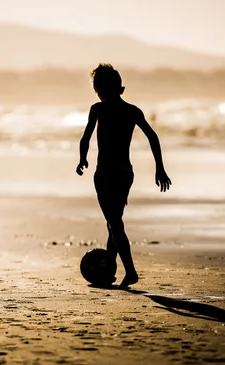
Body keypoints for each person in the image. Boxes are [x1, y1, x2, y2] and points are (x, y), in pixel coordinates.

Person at [76, 63, 172, 289]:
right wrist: (159, 167)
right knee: (114, 222)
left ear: (99, 90)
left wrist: (82, 159)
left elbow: (86, 138)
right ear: (121, 88)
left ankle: (130, 272)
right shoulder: (131, 110)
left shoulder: (98, 109)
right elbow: (153, 137)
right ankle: (109, 269)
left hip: (106, 172)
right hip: (125, 173)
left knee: (114, 223)